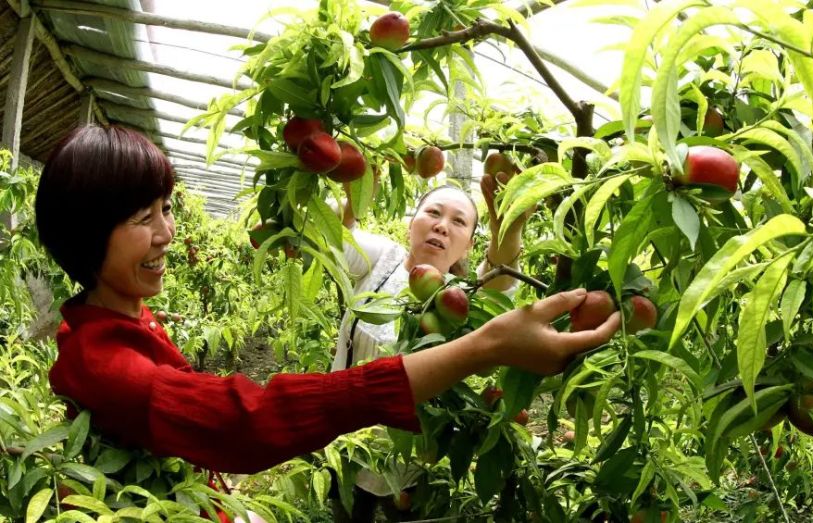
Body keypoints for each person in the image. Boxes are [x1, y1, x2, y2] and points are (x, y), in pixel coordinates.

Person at [34, 125, 619, 481]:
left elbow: (499, 292)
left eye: (166, 209)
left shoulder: (129, 319)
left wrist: (509, 221)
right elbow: (247, 420)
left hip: (414, 460)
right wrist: (486, 348)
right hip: (349, 445)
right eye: (144, 218)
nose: (167, 232)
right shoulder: (104, 362)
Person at [332, 160, 530, 370]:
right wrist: (353, 204)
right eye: (434, 212)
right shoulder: (384, 257)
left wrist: (506, 233)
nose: (442, 226)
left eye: (458, 221)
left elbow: (498, 281)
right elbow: (334, 236)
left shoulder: (459, 296)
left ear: (468, 246)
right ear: (410, 225)